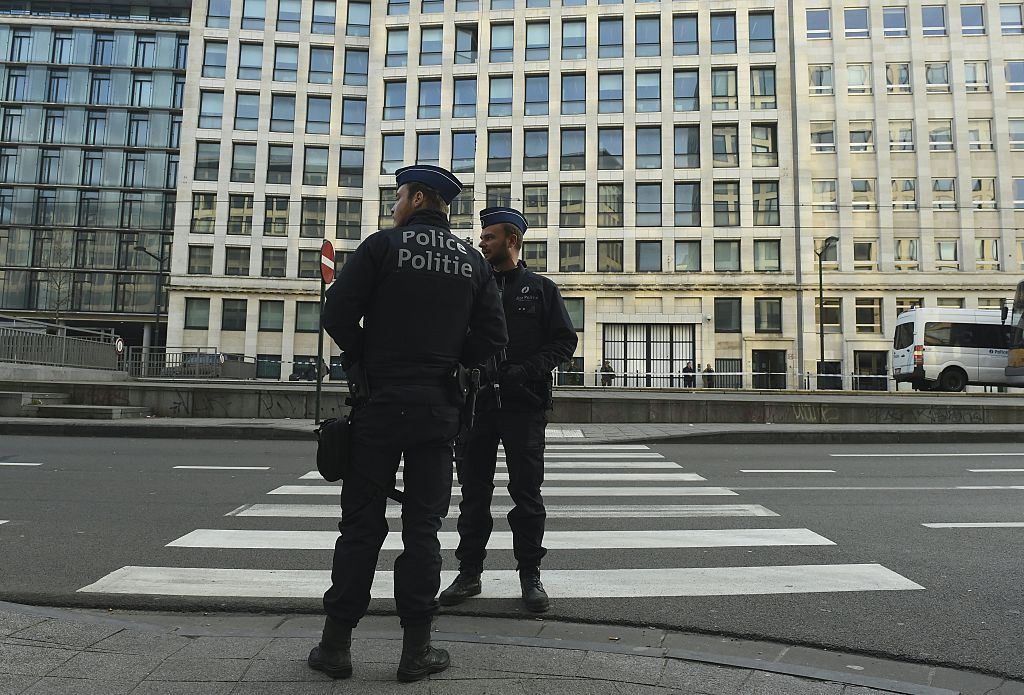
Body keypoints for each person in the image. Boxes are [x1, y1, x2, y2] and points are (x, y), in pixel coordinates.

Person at [308, 165, 508, 683]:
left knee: (360, 527)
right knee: (423, 531)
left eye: (398, 196)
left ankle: (335, 647)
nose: (394, 204)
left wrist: (365, 359)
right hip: (438, 412)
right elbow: (493, 339)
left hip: (377, 407)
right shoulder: (471, 260)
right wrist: (453, 366)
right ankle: (415, 651)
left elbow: (336, 315)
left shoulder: (381, 246)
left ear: (417, 198)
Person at [439, 206, 578, 614]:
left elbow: (563, 342)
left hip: (524, 407)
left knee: (527, 495)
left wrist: (525, 371)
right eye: (482, 237)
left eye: (490, 236)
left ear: (512, 241)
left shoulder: (540, 289)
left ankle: (530, 576)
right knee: (473, 496)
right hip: (476, 407)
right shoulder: (470, 286)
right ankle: (469, 574)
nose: (482, 242)